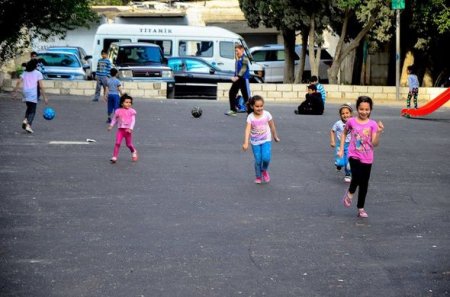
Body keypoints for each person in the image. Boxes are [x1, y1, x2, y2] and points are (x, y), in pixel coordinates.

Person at [339, 96, 384, 218]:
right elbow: (344, 133)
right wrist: (342, 149)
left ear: (370, 110)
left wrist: (379, 132)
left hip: (368, 156)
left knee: (364, 183)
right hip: (354, 154)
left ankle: (361, 208)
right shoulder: (351, 121)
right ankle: (350, 193)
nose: (364, 112)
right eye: (361, 109)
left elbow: (375, 143)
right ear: (357, 108)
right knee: (357, 177)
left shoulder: (373, 124)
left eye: (367, 109)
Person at [242, 95, 280, 184]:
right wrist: (246, 143)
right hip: (255, 142)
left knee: (266, 158)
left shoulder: (267, 114)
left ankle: (264, 170)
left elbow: (272, 126)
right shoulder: (250, 117)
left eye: (261, 106)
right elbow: (247, 130)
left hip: (266, 139)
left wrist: (275, 136)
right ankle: (258, 176)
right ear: (252, 106)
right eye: (257, 106)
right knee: (258, 160)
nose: (260, 108)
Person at [13, 59, 48, 134]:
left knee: (29, 107)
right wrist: (45, 97)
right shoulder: (38, 73)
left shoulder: (25, 72)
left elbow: (19, 81)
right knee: (32, 110)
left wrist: (15, 92)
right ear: (36, 65)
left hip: (25, 92)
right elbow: (41, 86)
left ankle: (25, 120)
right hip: (32, 93)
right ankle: (28, 125)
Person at [108, 94, 138, 163]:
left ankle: (134, 151)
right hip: (120, 130)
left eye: (130, 102)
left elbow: (133, 121)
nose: (128, 104)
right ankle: (114, 157)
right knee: (117, 143)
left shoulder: (132, 111)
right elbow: (114, 119)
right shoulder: (118, 111)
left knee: (129, 144)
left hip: (128, 130)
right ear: (122, 103)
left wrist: (131, 128)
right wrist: (111, 125)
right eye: (126, 102)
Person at [225, 44, 251, 116]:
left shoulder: (245, 58)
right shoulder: (237, 59)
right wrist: (235, 77)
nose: (236, 52)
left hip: (244, 79)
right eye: (235, 51)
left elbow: (244, 68)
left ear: (242, 50)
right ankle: (233, 110)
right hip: (238, 79)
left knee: (246, 97)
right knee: (232, 93)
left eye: (237, 51)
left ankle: (251, 112)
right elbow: (236, 71)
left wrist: (237, 77)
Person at [330, 104, 353, 182]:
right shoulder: (338, 123)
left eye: (347, 113)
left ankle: (348, 174)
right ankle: (338, 165)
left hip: (350, 145)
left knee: (348, 162)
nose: (345, 115)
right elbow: (332, 131)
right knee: (340, 163)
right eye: (343, 113)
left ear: (351, 114)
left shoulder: (353, 122)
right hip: (340, 145)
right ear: (340, 115)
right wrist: (332, 141)